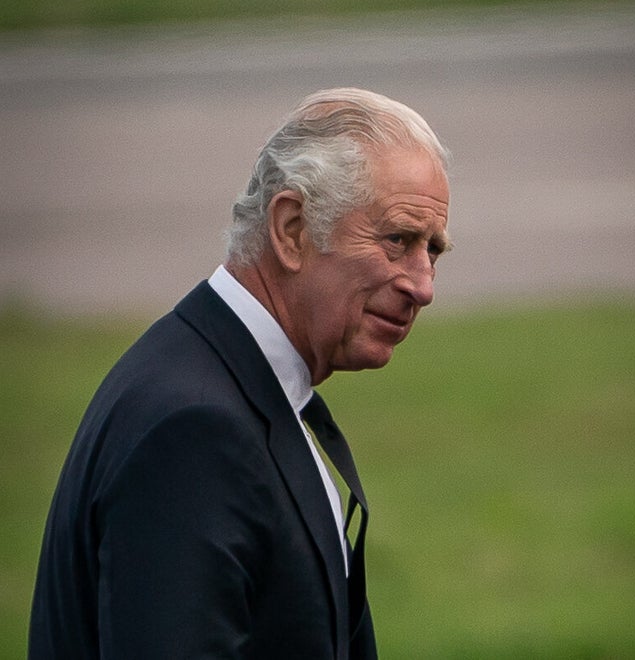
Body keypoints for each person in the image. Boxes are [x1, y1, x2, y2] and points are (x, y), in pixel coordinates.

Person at [29, 87, 451, 659]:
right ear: (292, 230)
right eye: (397, 240)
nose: (422, 285)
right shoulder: (194, 430)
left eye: (433, 250)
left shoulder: (223, 377)